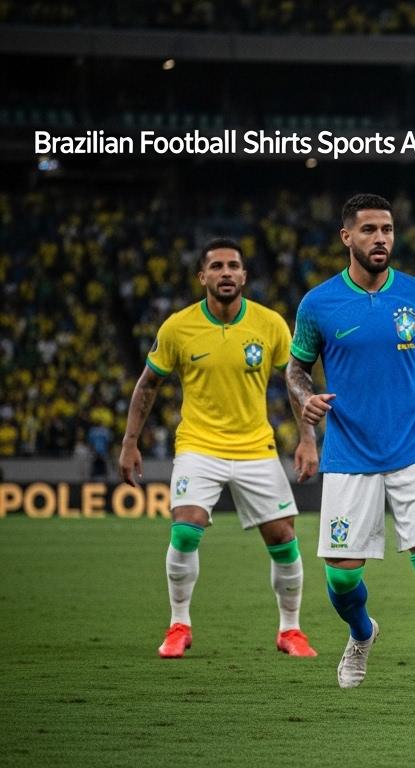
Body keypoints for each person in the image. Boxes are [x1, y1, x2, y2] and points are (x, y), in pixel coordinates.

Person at [286, 194, 415, 694]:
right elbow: (296, 370)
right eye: (369, 230)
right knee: (343, 580)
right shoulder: (319, 303)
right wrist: (305, 400)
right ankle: (362, 633)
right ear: (348, 237)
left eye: (387, 229)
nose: (381, 239)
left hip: (412, 447)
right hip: (348, 453)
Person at [119, 238, 317, 660]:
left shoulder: (270, 325)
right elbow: (148, 384)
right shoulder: (178, 327)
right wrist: (130, 442)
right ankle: (179, 624)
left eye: (233, 266)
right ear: (202, 276)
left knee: (283, 538)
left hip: (256, 447)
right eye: (217, 266)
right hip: (199, 445)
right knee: (186, 528)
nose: (226, 273)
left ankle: (291, 630)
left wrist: (307, 439)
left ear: (244, 275)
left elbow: (295, 383)